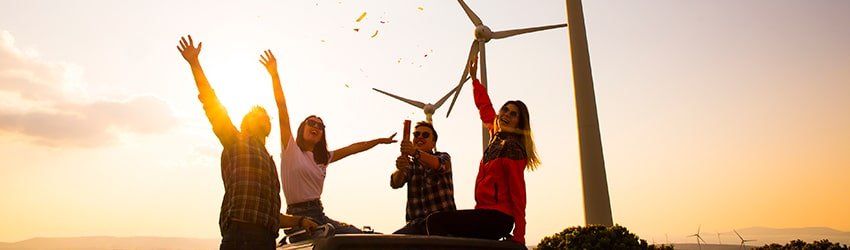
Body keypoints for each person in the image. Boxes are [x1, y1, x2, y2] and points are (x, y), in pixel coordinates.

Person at [177, 35, 317, 250]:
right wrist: (195, 63)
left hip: (266, 240)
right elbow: (211, 102)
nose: (264, 117)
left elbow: (270, 216)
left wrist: (299, 221)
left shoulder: (268, 162)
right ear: (245, 124)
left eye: (265, 116)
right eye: (257, 116)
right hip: (240, 238)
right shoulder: (236, 142)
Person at [260, 50, 397, 237]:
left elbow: (353, 149)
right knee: (343, 240)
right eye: (311, 123)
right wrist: (275, 75)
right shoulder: (290, 150)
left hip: (319, 214)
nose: (316, 126)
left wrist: (380, 141)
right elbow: (282, 108)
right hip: (298, 218)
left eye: (320, 125)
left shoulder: (324, 158)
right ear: (302, 128)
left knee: (365, 237)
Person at [425, 56, 541, 245]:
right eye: (505, 110)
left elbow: (519, 194)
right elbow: (485, 107)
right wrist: (474, 80)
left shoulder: (512, 149)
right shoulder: (496, 136)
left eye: (513, 114)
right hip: (484, 212)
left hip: (498, 217)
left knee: (436, 221)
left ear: (519, 123)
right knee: (445, 227)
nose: (506, 115)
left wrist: (520, 235)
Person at [390, 121, 456, 235]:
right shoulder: (410, 165)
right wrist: (400, 168)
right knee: (392, 243)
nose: (420, 137)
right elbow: (395, 183)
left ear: (433, 143)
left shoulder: (443, 157)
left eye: (425, 135)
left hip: (442, 223)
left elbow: (440, 165)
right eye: (416, 135)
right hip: (416, 226)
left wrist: (415, 152)